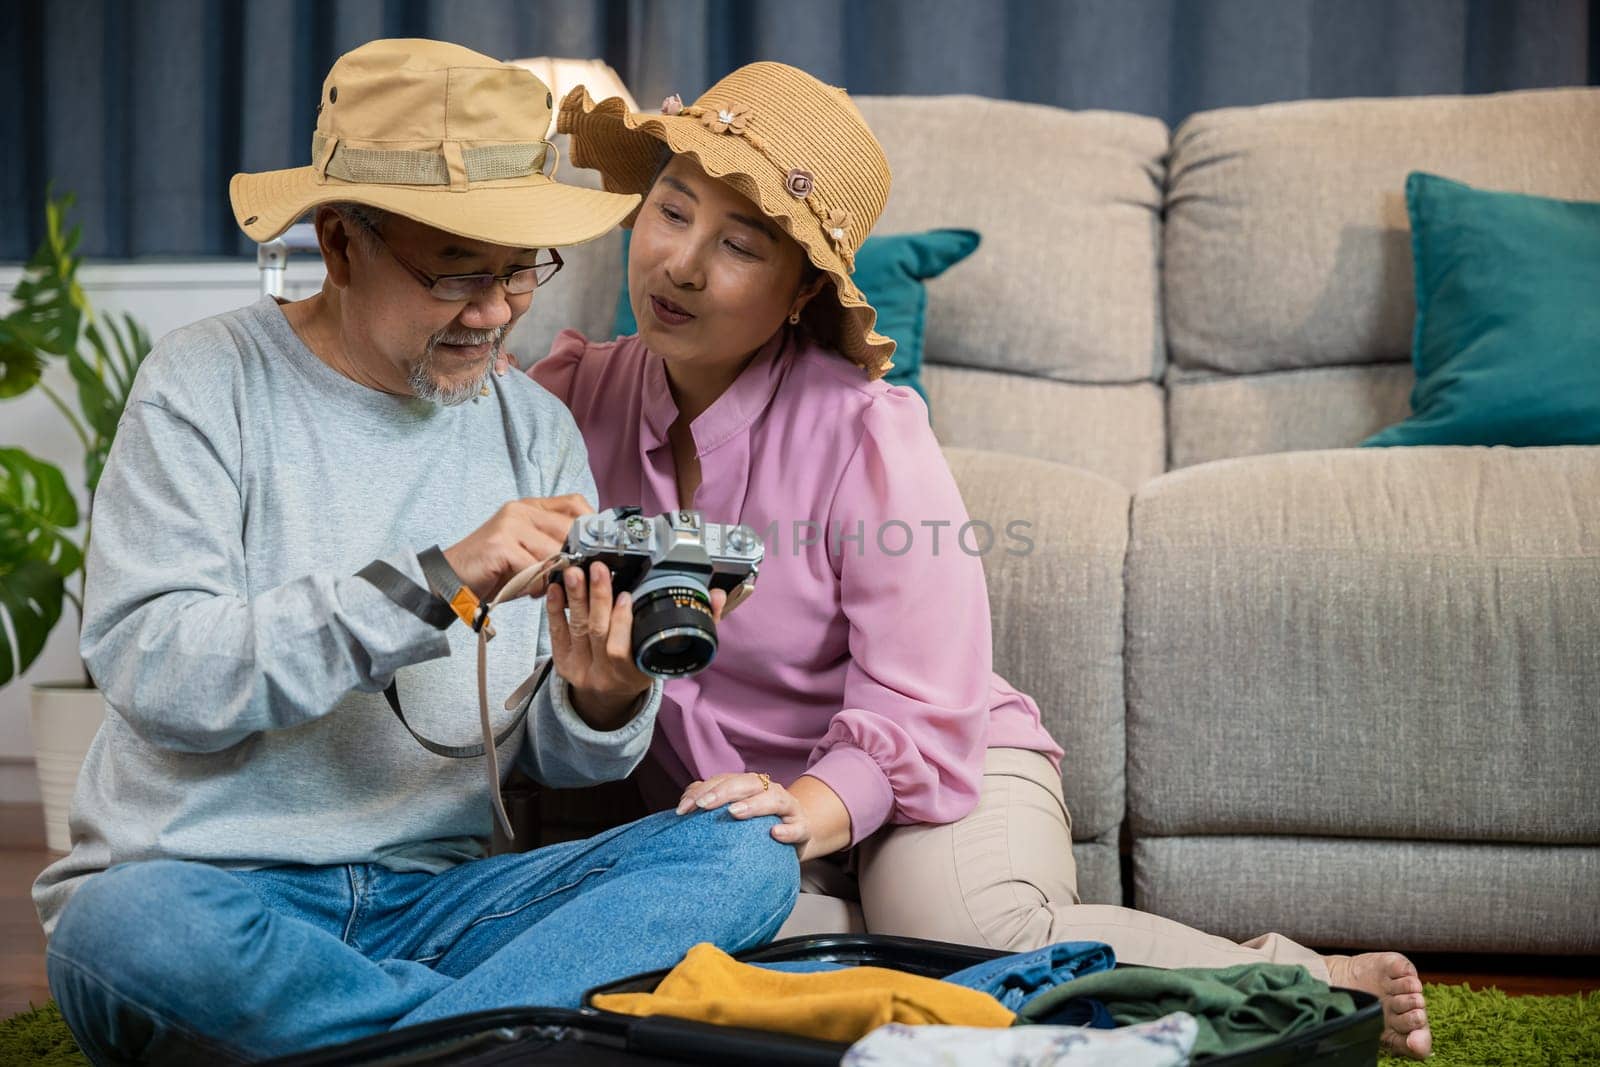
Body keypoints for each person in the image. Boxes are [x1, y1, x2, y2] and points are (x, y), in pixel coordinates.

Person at [520, 62, 1432, 1059]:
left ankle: (1290, 978)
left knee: (974, 940)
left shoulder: (865, 430)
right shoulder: (564, 400)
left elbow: (925, 697)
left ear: (797, 295)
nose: (681, 264)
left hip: (930, 771)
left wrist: (810, 809)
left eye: (739, 244)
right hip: (739, 820)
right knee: (713, 963)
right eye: (672, 211)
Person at [32, 40, 798, 1065]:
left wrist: (602, 695)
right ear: (341, 242)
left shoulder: (533, 428)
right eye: (456, 273)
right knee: (122, 934)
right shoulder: (206, 382)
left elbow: (544, 757)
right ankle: (495, 1029)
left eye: (520, 269)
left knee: (749, 854)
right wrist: (434, 582)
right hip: (211, 889)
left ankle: (398, 1041)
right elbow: (157, 669)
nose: (495, 311)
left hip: (438, 903)